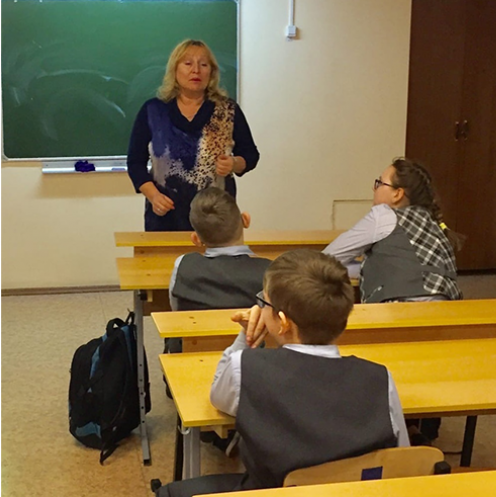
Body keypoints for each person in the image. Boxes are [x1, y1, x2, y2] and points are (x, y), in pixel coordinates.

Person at [155, 250, 409, 497]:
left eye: (263, 302)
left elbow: (218, 395)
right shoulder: (381, 378)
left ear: (283, 322)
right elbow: (401, 456)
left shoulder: (246, 367)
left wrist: (246, 335)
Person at [127, 39, 260, 231]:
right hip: (166, 218)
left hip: (217, 219)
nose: (196, 70)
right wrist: (153, 196)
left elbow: (250, 155)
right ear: (175, 70)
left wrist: (234, 163)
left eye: (203, 64)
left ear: (211, 72)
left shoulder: (227, 110)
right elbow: (135, 162)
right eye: (188, 63)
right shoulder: (153, 111)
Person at [323, 157, 463, 303]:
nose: (374, 189)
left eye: (380, 183)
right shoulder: (435, 224)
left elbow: (328, 258)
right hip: (446, 308)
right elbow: (406, 268)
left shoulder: (384, 216)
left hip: (399, 307)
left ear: (397, 194)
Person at [167, 187, 271, 352]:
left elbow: (177, 311)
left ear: (196, 239)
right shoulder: (270, 272)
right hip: (252, 360)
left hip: (192, 357)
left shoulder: (183, 264)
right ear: (245, 220)